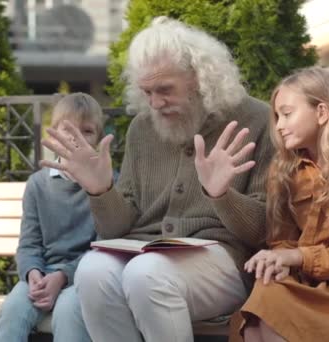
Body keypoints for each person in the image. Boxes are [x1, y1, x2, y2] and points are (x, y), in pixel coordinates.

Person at [41, 16, 272, 342]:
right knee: (92, 270)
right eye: (146, 91)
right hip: (144, 254)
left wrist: (222, 195)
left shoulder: (257, 119)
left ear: (200, 78)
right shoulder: (142, 129)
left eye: (165, 90)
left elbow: (263, 229)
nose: (155, 103)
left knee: (146, 274)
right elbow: (117, 229)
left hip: (225, 262)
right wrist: (100, 190)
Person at [230, 67, 329, 342]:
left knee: (267, 315)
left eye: (287, 114)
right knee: (260, 311)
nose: (279, 125)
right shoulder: (283, 170)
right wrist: (278, 260)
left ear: (322, 113)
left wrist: (295, 257)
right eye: (277, 116)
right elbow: (281, 242)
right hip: (301, 280)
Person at [0, 93, 105, 342]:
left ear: (98, 137)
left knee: (69, 313)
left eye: (87, 131)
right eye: (68, 130)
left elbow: (104, 248)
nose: (77, 138)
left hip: (83, 277)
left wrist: (63, 276)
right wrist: (32, 273)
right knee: (11, 312)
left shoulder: (107, 184)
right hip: (42, 275)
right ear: (53, 134)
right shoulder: (38, 185)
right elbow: (28, 243)